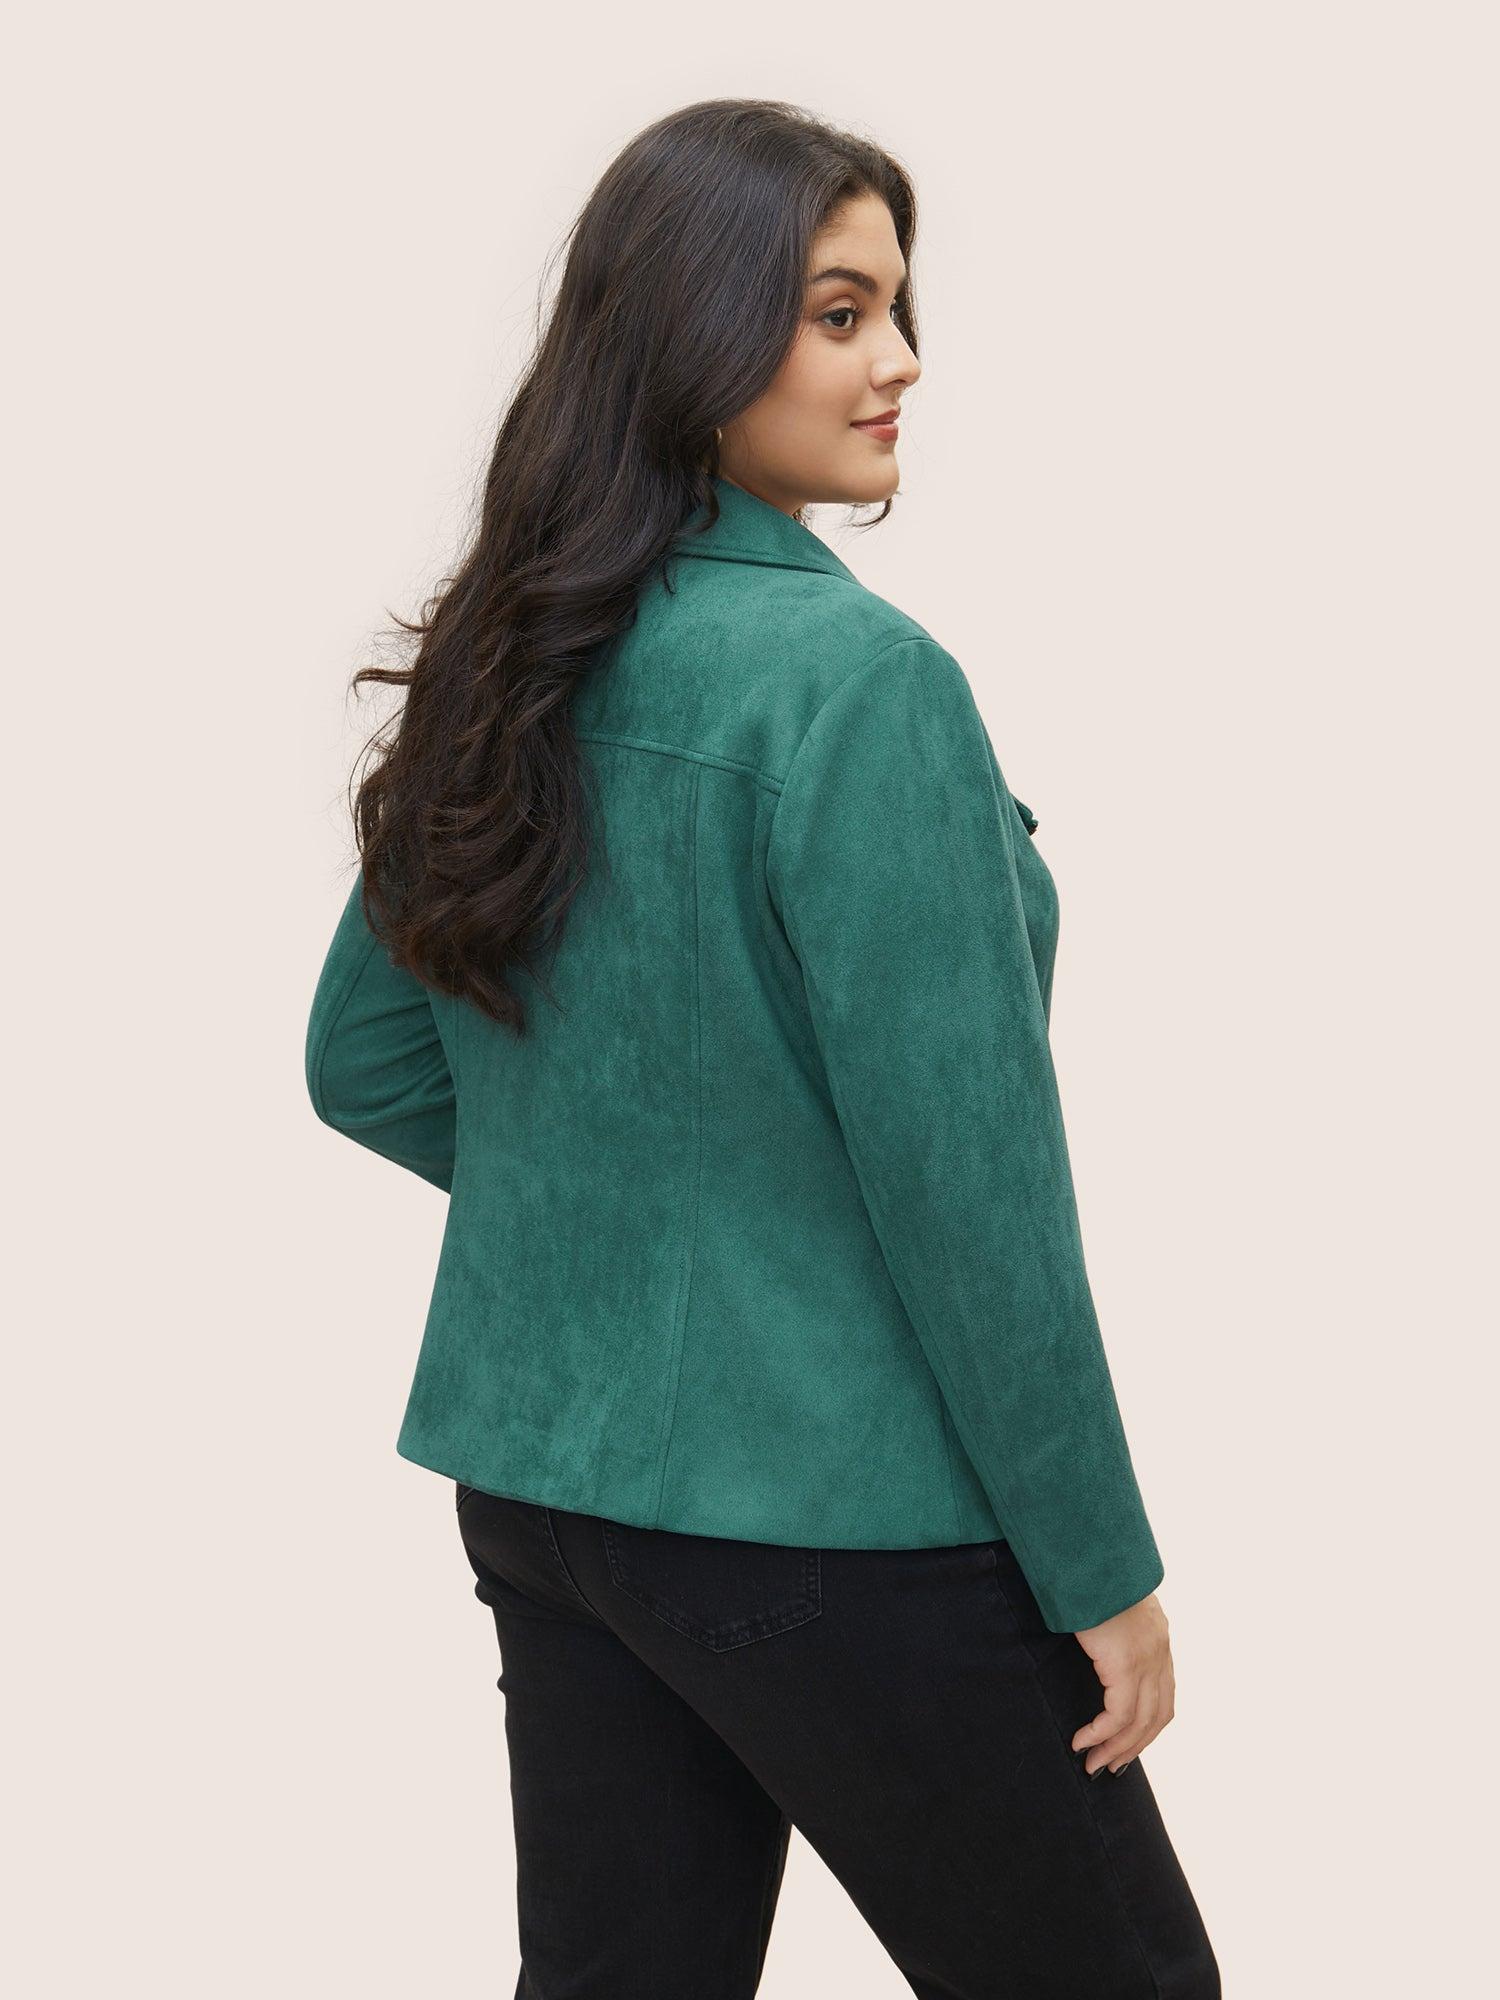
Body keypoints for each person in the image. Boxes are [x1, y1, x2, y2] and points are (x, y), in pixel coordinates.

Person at [304, 97, 1221, 1999]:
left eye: (898, 307)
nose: (902, 361)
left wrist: (645, 1219)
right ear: (691, 330)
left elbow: (369, 1061)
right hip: (835, 1519)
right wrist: (1103, 1571)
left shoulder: (516, 654)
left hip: (550, 1501)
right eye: (838, 312)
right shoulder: (862, 690)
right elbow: (972, 1204)